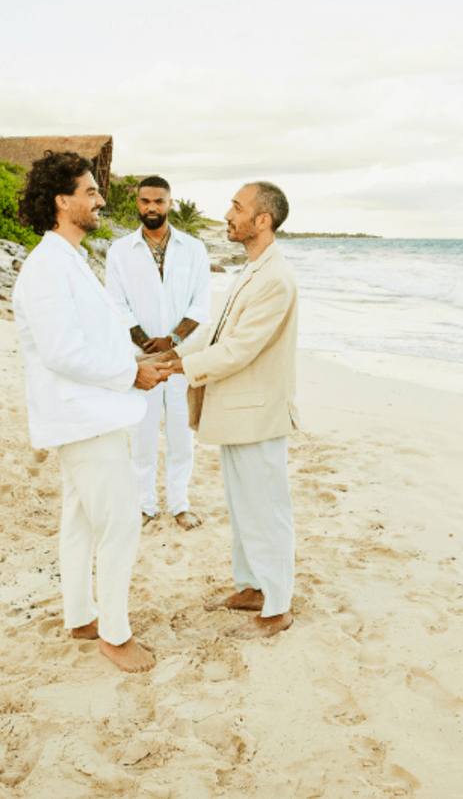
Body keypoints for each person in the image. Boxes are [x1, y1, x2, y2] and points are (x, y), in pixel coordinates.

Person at [10, 151, 171, 673]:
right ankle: (115, 635)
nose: (100, 200)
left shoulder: (69, 259)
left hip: (90, 411)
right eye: (90, 191)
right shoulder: (46, 266)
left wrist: (139, 359)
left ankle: (81, 614)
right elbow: (61, 351)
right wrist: (131, 375)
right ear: (63, 201)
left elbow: (91, 339)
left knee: (79, 519)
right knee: (121, 521)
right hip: (81, 416)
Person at [159, 181, 299, 639]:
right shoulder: (253, 269)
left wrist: (181, 368)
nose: (228, 214)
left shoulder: (275, 277)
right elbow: (219, 334)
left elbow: (240, 349)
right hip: (238, 411)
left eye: (237, 207)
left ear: (263, 220)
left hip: (257, 413)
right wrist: (172, 353)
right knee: (244, 508)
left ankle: (278, 607)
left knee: (267, 509)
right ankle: (253, 587)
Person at [104, 175, 212, 530]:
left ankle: (180, 504)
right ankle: (144, 505)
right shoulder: (120, 251)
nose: (151, 208)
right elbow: (116, 304)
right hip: (139, 358)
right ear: (137, 203)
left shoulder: (193, 249)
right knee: (143, 434)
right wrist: (146, 342)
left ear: (169, 203)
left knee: (182, 435)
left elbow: (202, 302)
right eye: (145, 201)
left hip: (183, 358)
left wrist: (173, 341)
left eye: (159, 201)